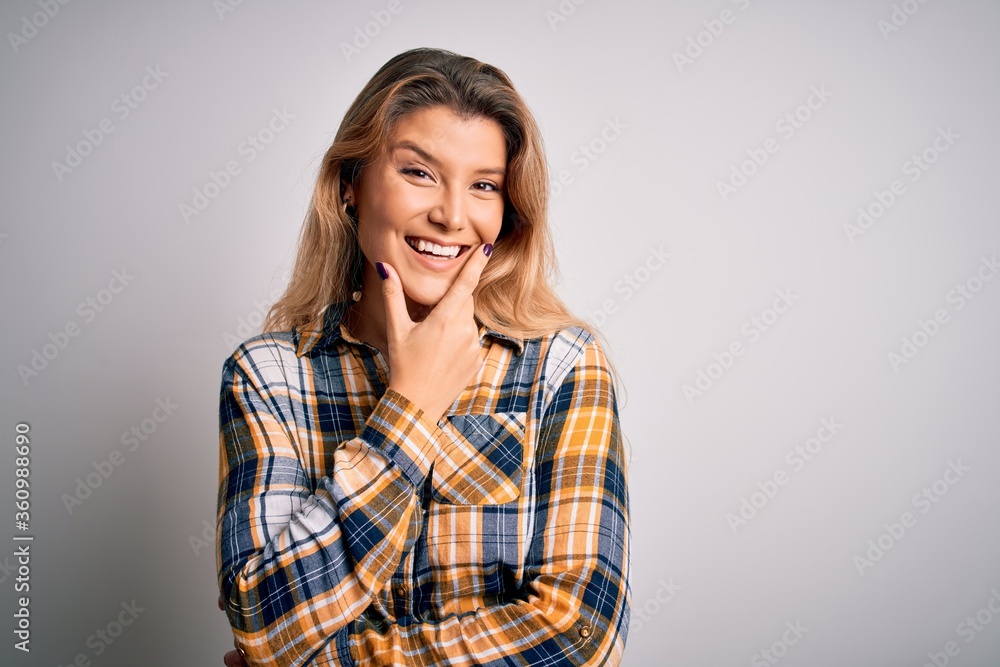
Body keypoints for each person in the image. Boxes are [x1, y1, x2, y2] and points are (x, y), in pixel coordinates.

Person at [216, 46, 631, 667]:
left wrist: (327, 661)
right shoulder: (269, 374)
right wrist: (412, 408)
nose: (451, 215)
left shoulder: (563, 365)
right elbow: (262, 620)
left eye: (484, 185)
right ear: (350, 186)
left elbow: (577, 638)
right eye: (419, 173)